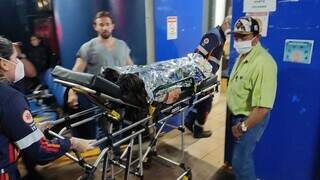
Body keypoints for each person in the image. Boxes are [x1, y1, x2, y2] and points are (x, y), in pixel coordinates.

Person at [0, 36, 95, 179]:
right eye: (15, 58)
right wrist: (71, 143)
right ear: (4, 64)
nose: (19, 63)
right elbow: (39, 151)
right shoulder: (10, 98)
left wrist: (32, 128)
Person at [67, 11, 133, 141]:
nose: (105, 27)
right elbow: (76, 72)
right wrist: (71, 92)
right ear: (95, 27)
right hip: (100, 97)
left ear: (112, 26)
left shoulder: (122, 45)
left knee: (118, 127)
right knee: (103, 130)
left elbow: (131, 68)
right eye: (101, 25)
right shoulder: (88, 47)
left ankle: (116, 156)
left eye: (107, 24)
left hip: (120, 96)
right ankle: (105, 160)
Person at [227, 16, 277, 180]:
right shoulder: (242, 56)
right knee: (240, 160)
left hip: (250, 119)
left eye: (244, 36)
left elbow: (263, 108)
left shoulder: (264, 63)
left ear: (257, 37)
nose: (238, 40)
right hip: (238, 116)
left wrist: (242, 127)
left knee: (240, 162)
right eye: (236, 36)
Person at [184, 18, 230, 138]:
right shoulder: (215, 36)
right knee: (206, 103)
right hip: (205, 75)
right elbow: (198, 55)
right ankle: (198, 130)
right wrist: (205, 75)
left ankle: (190, 121)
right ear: (225, 23)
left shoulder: (220, 36)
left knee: (202, 100)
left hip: (206, 74)